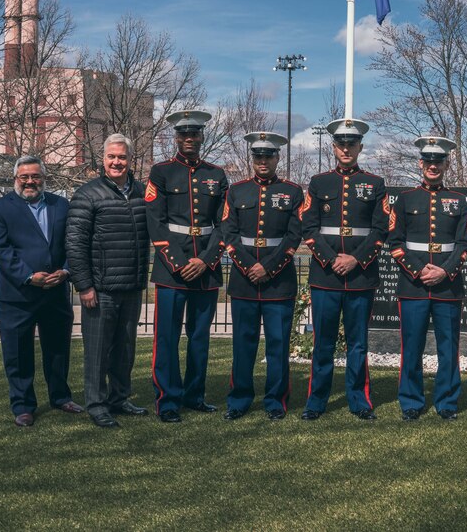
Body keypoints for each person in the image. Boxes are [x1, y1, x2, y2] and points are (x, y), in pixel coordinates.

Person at [299, 117, 390, 421]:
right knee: (322, 343)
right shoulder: (318, 182)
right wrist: (331, 258)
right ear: (334, 147)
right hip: (325, 276)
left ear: (360, 147)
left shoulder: (376, 184)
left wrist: (355, 259)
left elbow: (381, 230)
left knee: (358, 343)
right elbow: (309, 227)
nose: (346, 149)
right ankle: (316, 401)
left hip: (361, 276)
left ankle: (359, 399)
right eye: (341, 144)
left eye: (352, 144)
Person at [0, 155, 83, 427]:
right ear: (15, 178)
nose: (30, 181)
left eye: (35, 176)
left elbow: (72, 243)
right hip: (16, 295)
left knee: (58, 350)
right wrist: (29, 276)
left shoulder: (61, 205)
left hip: (55, 291)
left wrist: (65, 271)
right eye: (24, 177)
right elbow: (0, 250)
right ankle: (23, 406)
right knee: (18, 353)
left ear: (44, 178)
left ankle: (61, 397)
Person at [145, 109, 228, 423]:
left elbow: (224, 224)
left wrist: (204, 261)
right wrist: (181, 263)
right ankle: (168, 400)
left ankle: (195, 395)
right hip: (171, 270)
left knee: (199, 337)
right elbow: (156, 222)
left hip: (205, 270)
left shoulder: (217, 175)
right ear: (175, 137)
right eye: (183, 134)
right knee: (166, 337)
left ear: (202, 136)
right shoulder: (161, 172)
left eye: (195, 134)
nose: (189, 139)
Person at [65, 134, 151, 429]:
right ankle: (97, 403)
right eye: (111, 157)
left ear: (131, 160)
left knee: (125, 349)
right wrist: (84, 286)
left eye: (122, 157)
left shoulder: (142, 192)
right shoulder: (88, 194)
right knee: (98, 351)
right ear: (103, 160)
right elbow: (75, 244)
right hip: (100, 289)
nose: (117, 162)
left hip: (132, 285)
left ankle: (120, 397)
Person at [221, 131, 303, 421]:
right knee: (243, 343)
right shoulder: (237, 191)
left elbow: (294, 236)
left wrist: (267, 266)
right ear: (252, 158)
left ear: (278, 157)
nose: (263, 161)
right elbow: (228, 232)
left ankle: (275, 401)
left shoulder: (293, 192)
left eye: (269, 156)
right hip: (244, 280)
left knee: (278, 344)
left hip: (278, 280)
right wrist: (248, 266)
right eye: (258, 156)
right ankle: (239, 399)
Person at [389, 136, 467, 421]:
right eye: (428, 162)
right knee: (411, 346)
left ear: (446, 164)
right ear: (420, 163)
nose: (432, 166)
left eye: (438, 162)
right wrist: (419, 270)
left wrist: (444, 271)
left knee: (448, 347)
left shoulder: (459, 201)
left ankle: (447, 401)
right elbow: (395, 243)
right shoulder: (405, 199)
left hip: (448, 287)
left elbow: (464, 244)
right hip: (412, 285)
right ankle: (411, 400)